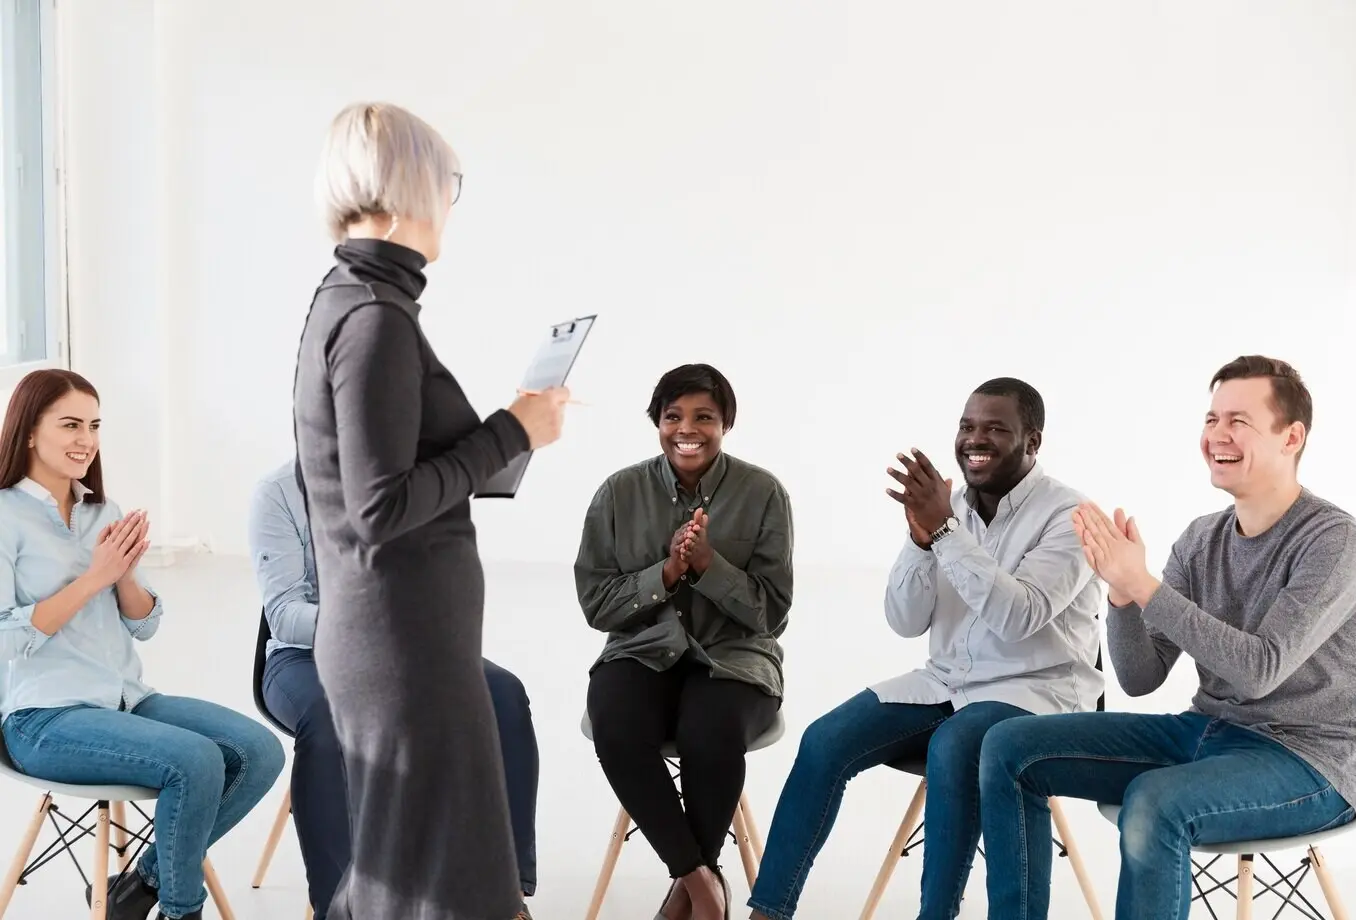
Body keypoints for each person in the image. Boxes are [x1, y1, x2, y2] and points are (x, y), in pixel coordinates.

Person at [291, 101, 569, 920]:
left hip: (401, 638)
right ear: (413, 185)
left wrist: (501, 436)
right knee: (441, 883)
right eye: (451, 183)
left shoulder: (355, 300)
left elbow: (390, 477)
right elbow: (379, 507)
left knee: (410, 873)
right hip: (401, 646)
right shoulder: (374, 319)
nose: (451, 202)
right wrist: (513, 431)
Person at [980, 355, 1356, 920]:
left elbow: (1260, 670)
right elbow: (1141, 677)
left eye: (1238, 421)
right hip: (1207, 732)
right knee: (1008, 745)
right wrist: (1122, 595)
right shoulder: (1201, 539)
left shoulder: (1336, 543)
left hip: (1310, 761)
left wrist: (1144, 585)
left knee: (1155, 802)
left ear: (1291, 438)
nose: (1217, 434)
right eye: (1212, 419)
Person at [744, 377, 1103, 920]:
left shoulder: (1069, 516)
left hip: (1038, 692)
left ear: (1033, 441)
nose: (974, 439)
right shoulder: (946, 507)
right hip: (949, 682)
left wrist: (945, 533)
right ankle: (768, 912)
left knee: (954, 745)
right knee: (824, 741)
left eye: (995, 429)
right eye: (967, 426)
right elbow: (904, 620)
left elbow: (1018, 617)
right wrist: (920, 539)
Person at [0, 369, 283, 920]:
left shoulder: (101, 511)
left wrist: (124, 573)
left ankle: (138, 886)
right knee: (195, 761)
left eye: (94, 426)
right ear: (29, 431)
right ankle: (181, 911)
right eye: (71, 425)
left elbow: (145, 624)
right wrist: (94, 578)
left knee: (259, 751)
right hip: (43, 717)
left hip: (126, 698)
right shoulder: (5, 515)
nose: (87, 439)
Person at [249, 459, 543, 919]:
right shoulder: (278, 492)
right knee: (330, 724)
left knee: (501, 695)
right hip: (306, 657)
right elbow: (284, 613)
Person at [574, 363, 793, 920]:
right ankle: (700, 881)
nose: (687, 430)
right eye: (673, 416)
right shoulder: (618, 492)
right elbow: (597, 604)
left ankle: (687, 893)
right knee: (617, 726)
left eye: (704, 417)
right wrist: (668, 572)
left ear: (726, 424)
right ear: (657, 422)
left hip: (734, 656)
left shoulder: (763, 492)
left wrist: (708, 565)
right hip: (640, 648)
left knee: (709, 732)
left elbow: (771, 613)